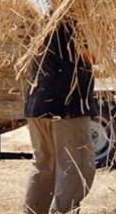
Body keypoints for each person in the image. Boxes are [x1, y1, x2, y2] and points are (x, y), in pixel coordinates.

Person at [23, 18, 97, 214]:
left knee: (44, 165)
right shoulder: (77, 23)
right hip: (65, 107)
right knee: (76, 165)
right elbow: (90, 55)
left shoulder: (45, 24)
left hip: (36, 106)